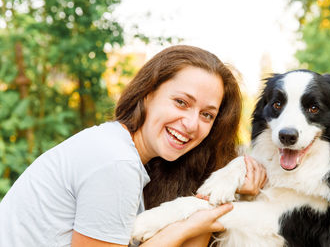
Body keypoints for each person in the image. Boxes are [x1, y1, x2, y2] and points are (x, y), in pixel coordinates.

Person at [0, 45, 266, 247]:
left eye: (207, 114)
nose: (192, 123)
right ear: (148, 93)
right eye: (181, 102)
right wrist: (186, 227)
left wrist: (229, 188)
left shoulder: (121, 151)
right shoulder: (115, 161)